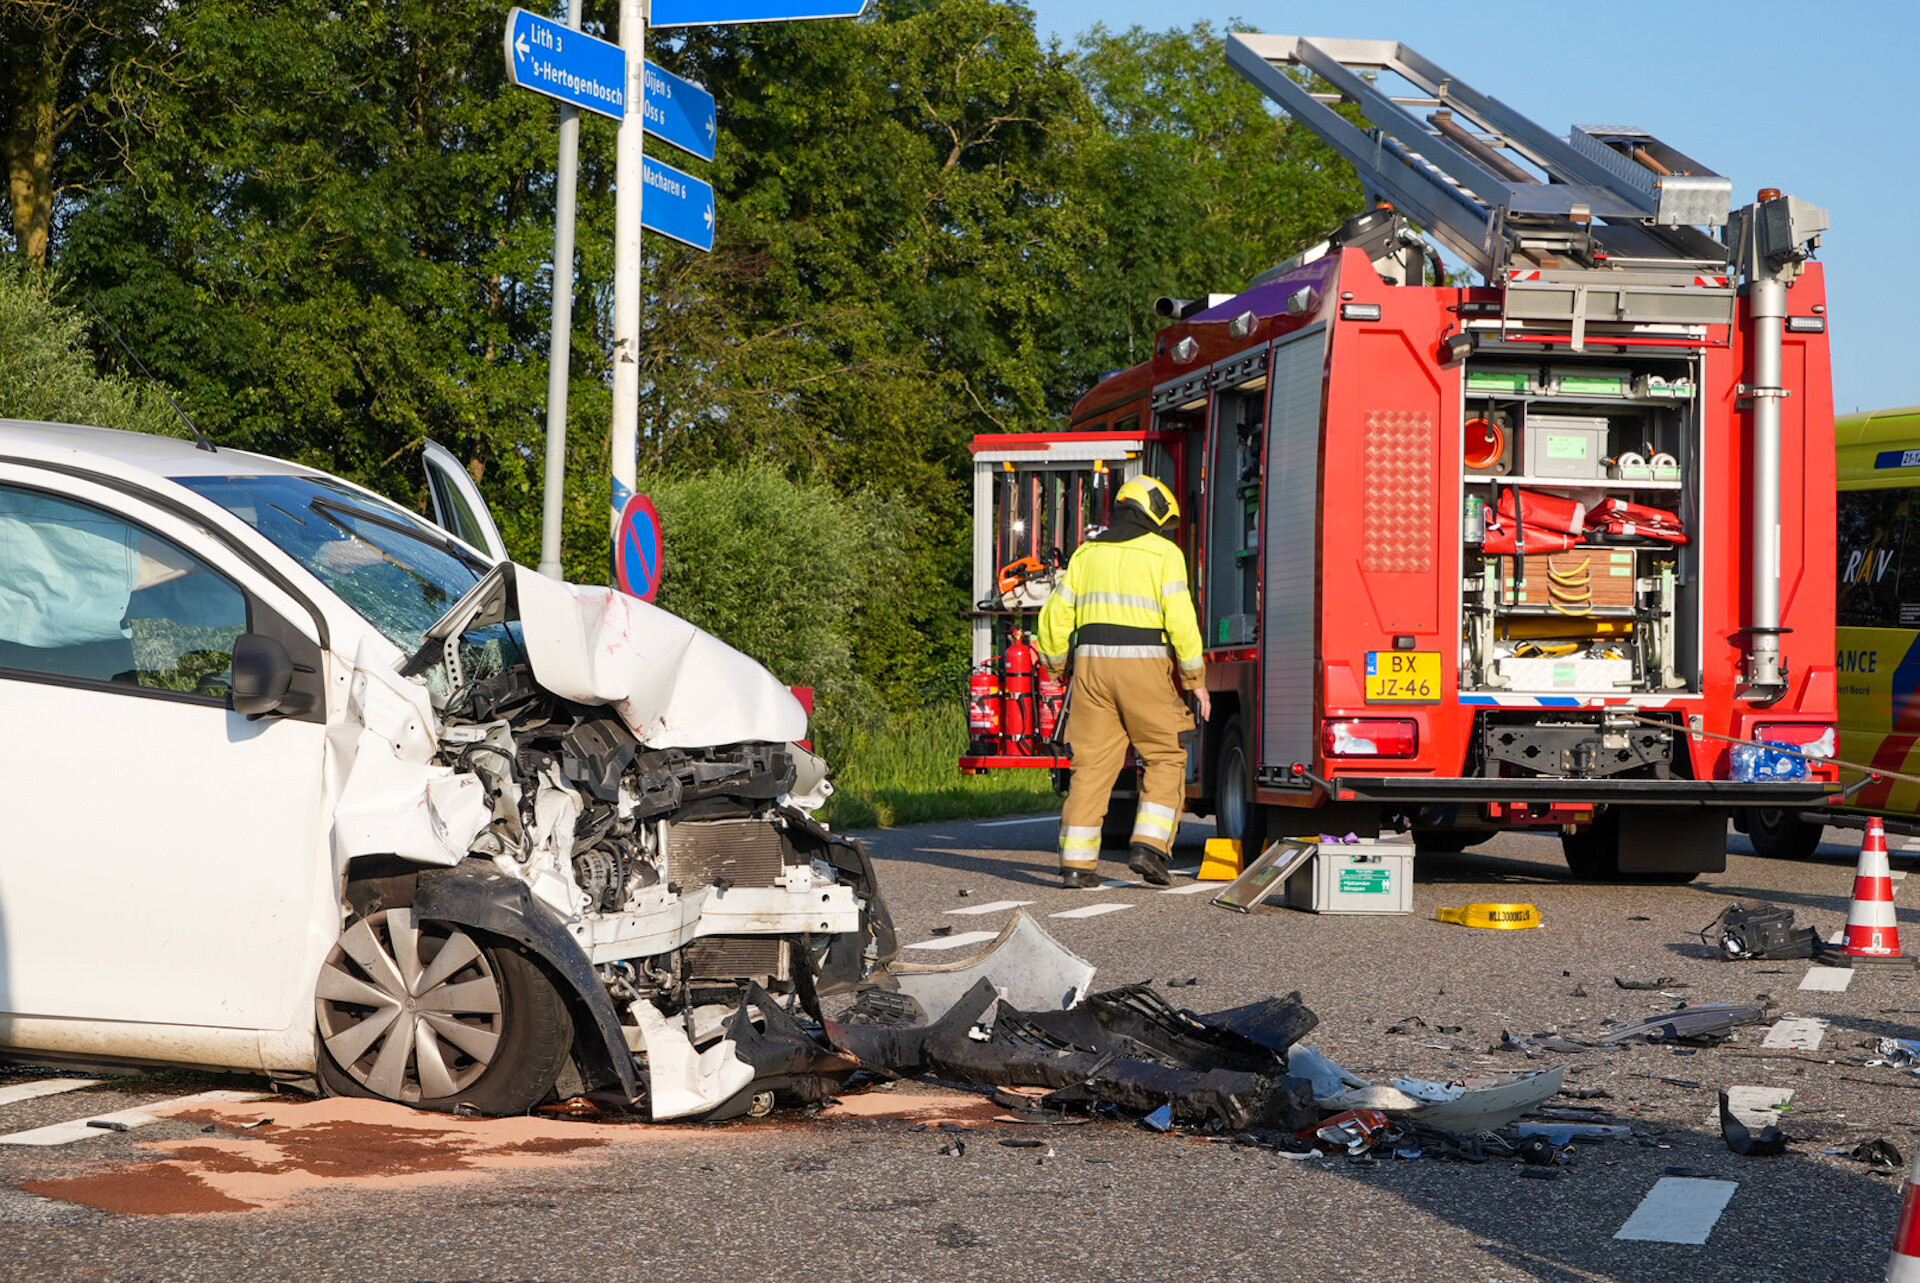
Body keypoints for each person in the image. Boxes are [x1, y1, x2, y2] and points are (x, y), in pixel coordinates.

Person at [1036, 474, 1208, 888]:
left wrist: (1057, 667)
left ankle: (1077, 865)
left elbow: (1056, 617)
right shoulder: (1164, 553)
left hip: (1091, 667)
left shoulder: (1085, 554)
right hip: (1144, 666)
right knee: (1165, 756)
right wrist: (1195, 678)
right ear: (1153, 514)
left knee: (1092, 766)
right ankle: (1149, 847)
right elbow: (1181, 620)